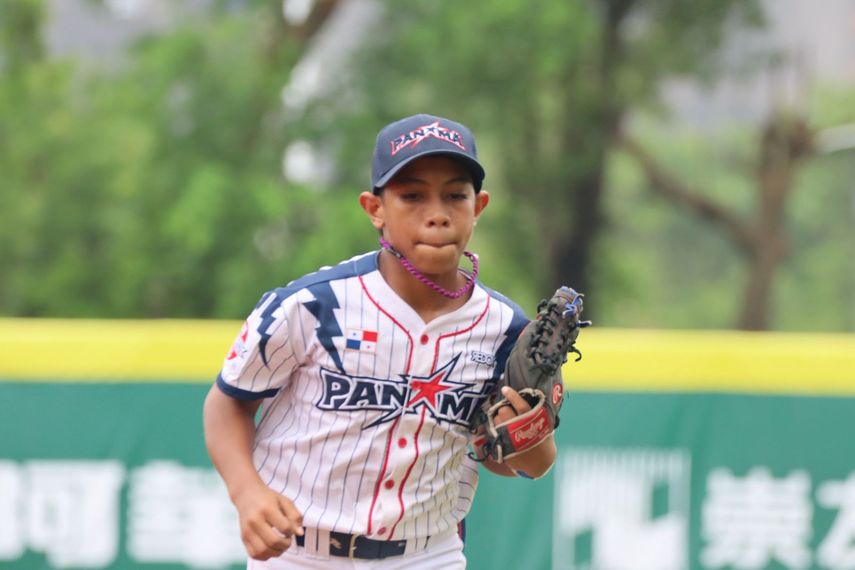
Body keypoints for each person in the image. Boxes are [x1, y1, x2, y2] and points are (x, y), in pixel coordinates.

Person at [203, 113, 557, 569]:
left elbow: (525, 463)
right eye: (412, 196)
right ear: (375, 209)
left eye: (455, 195)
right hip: (301, 555)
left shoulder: (505, 328)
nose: (437, 214)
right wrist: (246, 491)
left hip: (426, 555)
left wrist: (523, 432)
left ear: (479, 206)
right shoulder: (313, 305)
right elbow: (228, 401)